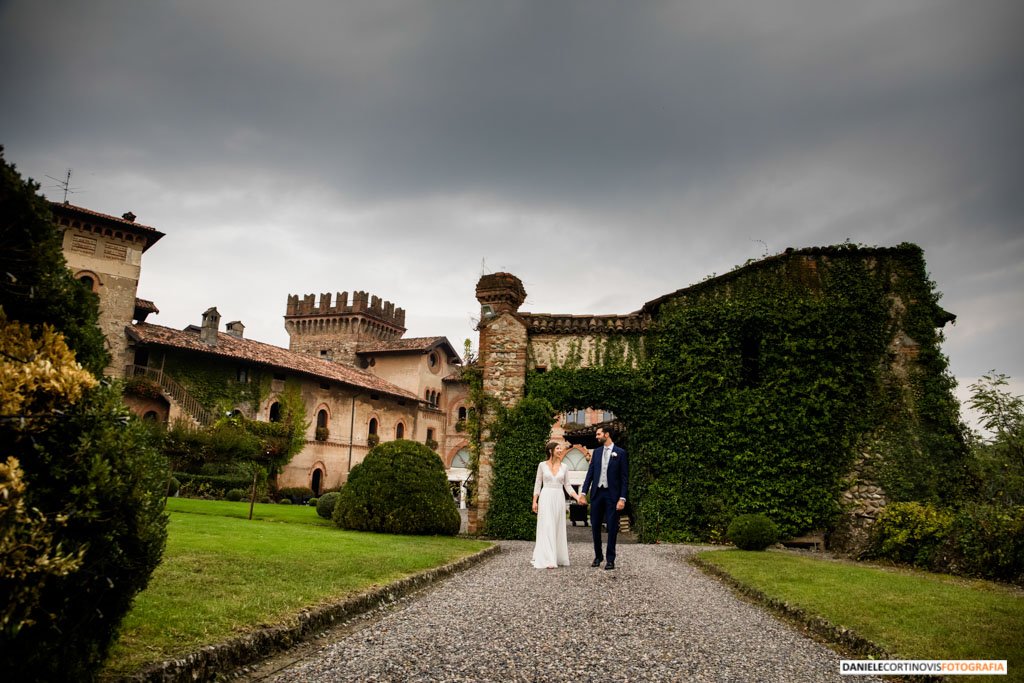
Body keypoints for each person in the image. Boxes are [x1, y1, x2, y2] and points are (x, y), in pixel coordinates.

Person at [579, 426, 628, 570]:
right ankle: (598, 555)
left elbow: (624, 478)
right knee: (595, 525)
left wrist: (622, 498)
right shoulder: (597, 452)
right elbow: (590, 474)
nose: (596, 436)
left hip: (612, 495)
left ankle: (610, 559)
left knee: (612, 527)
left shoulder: (620, 453)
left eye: (598, 434)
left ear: (607, 435)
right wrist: (583, 493)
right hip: (597, 494)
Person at [531, 441, 583, 569]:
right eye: (558, 448)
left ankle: (557, 556)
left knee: (557, 526)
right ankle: (548, 559)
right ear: (551, 451)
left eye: (561, 448)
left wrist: (577, 497)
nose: (560, 450)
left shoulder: (564, 467)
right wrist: (534, 501)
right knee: (547, 525)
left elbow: (568, 485)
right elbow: (538, 483)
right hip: (546, 497)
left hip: (559, 497)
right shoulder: (542, 465)